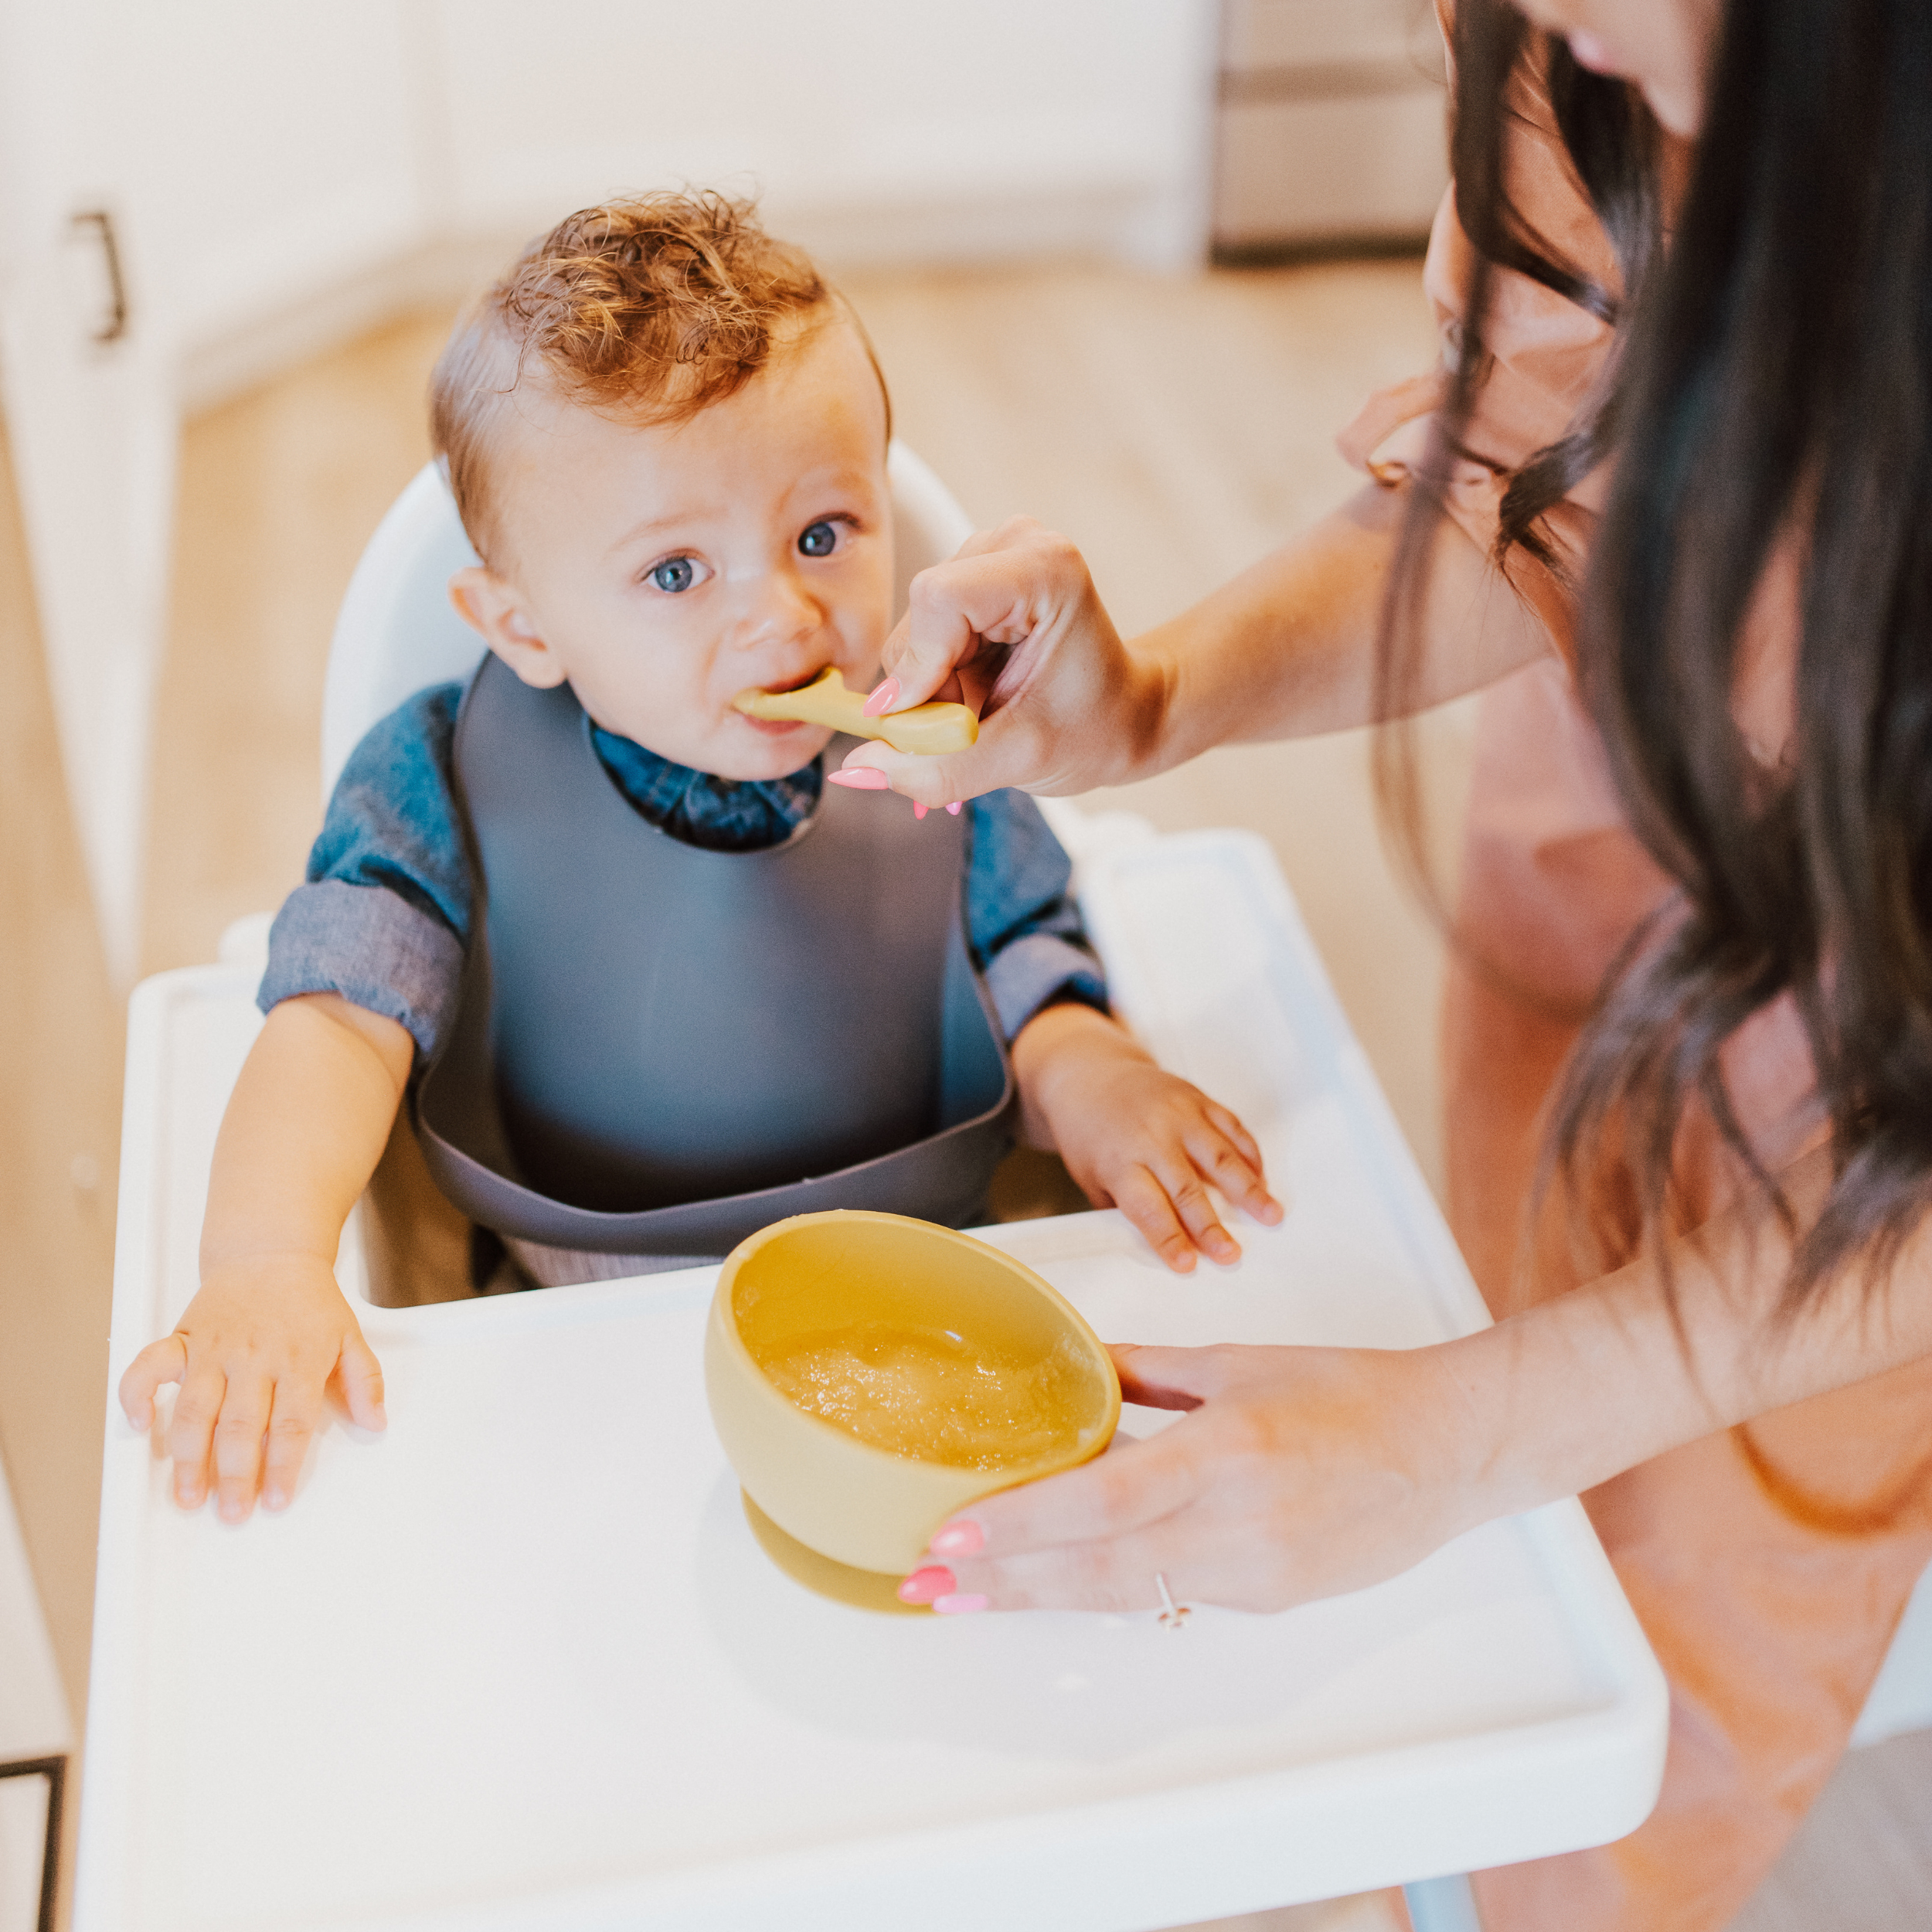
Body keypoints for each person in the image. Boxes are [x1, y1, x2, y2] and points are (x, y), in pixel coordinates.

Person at [852, 4, 1932, 1928]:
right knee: (1513, 1312)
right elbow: (1513, 485)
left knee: (1683, 1623)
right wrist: (1158, 693)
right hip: (1628, 846)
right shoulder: (1581, 48)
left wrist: (1461, 1429)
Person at [117, 195, 1280, 1532]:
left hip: (913, 1319)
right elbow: (337, 1019)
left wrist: (1104, 1079)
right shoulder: (442, 776)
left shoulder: (941, 745)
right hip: (585, 1326)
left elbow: (1024, 961)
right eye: (676, 574)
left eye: (825, 535)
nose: (782, 619)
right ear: (522, 623)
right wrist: (263, 1257)